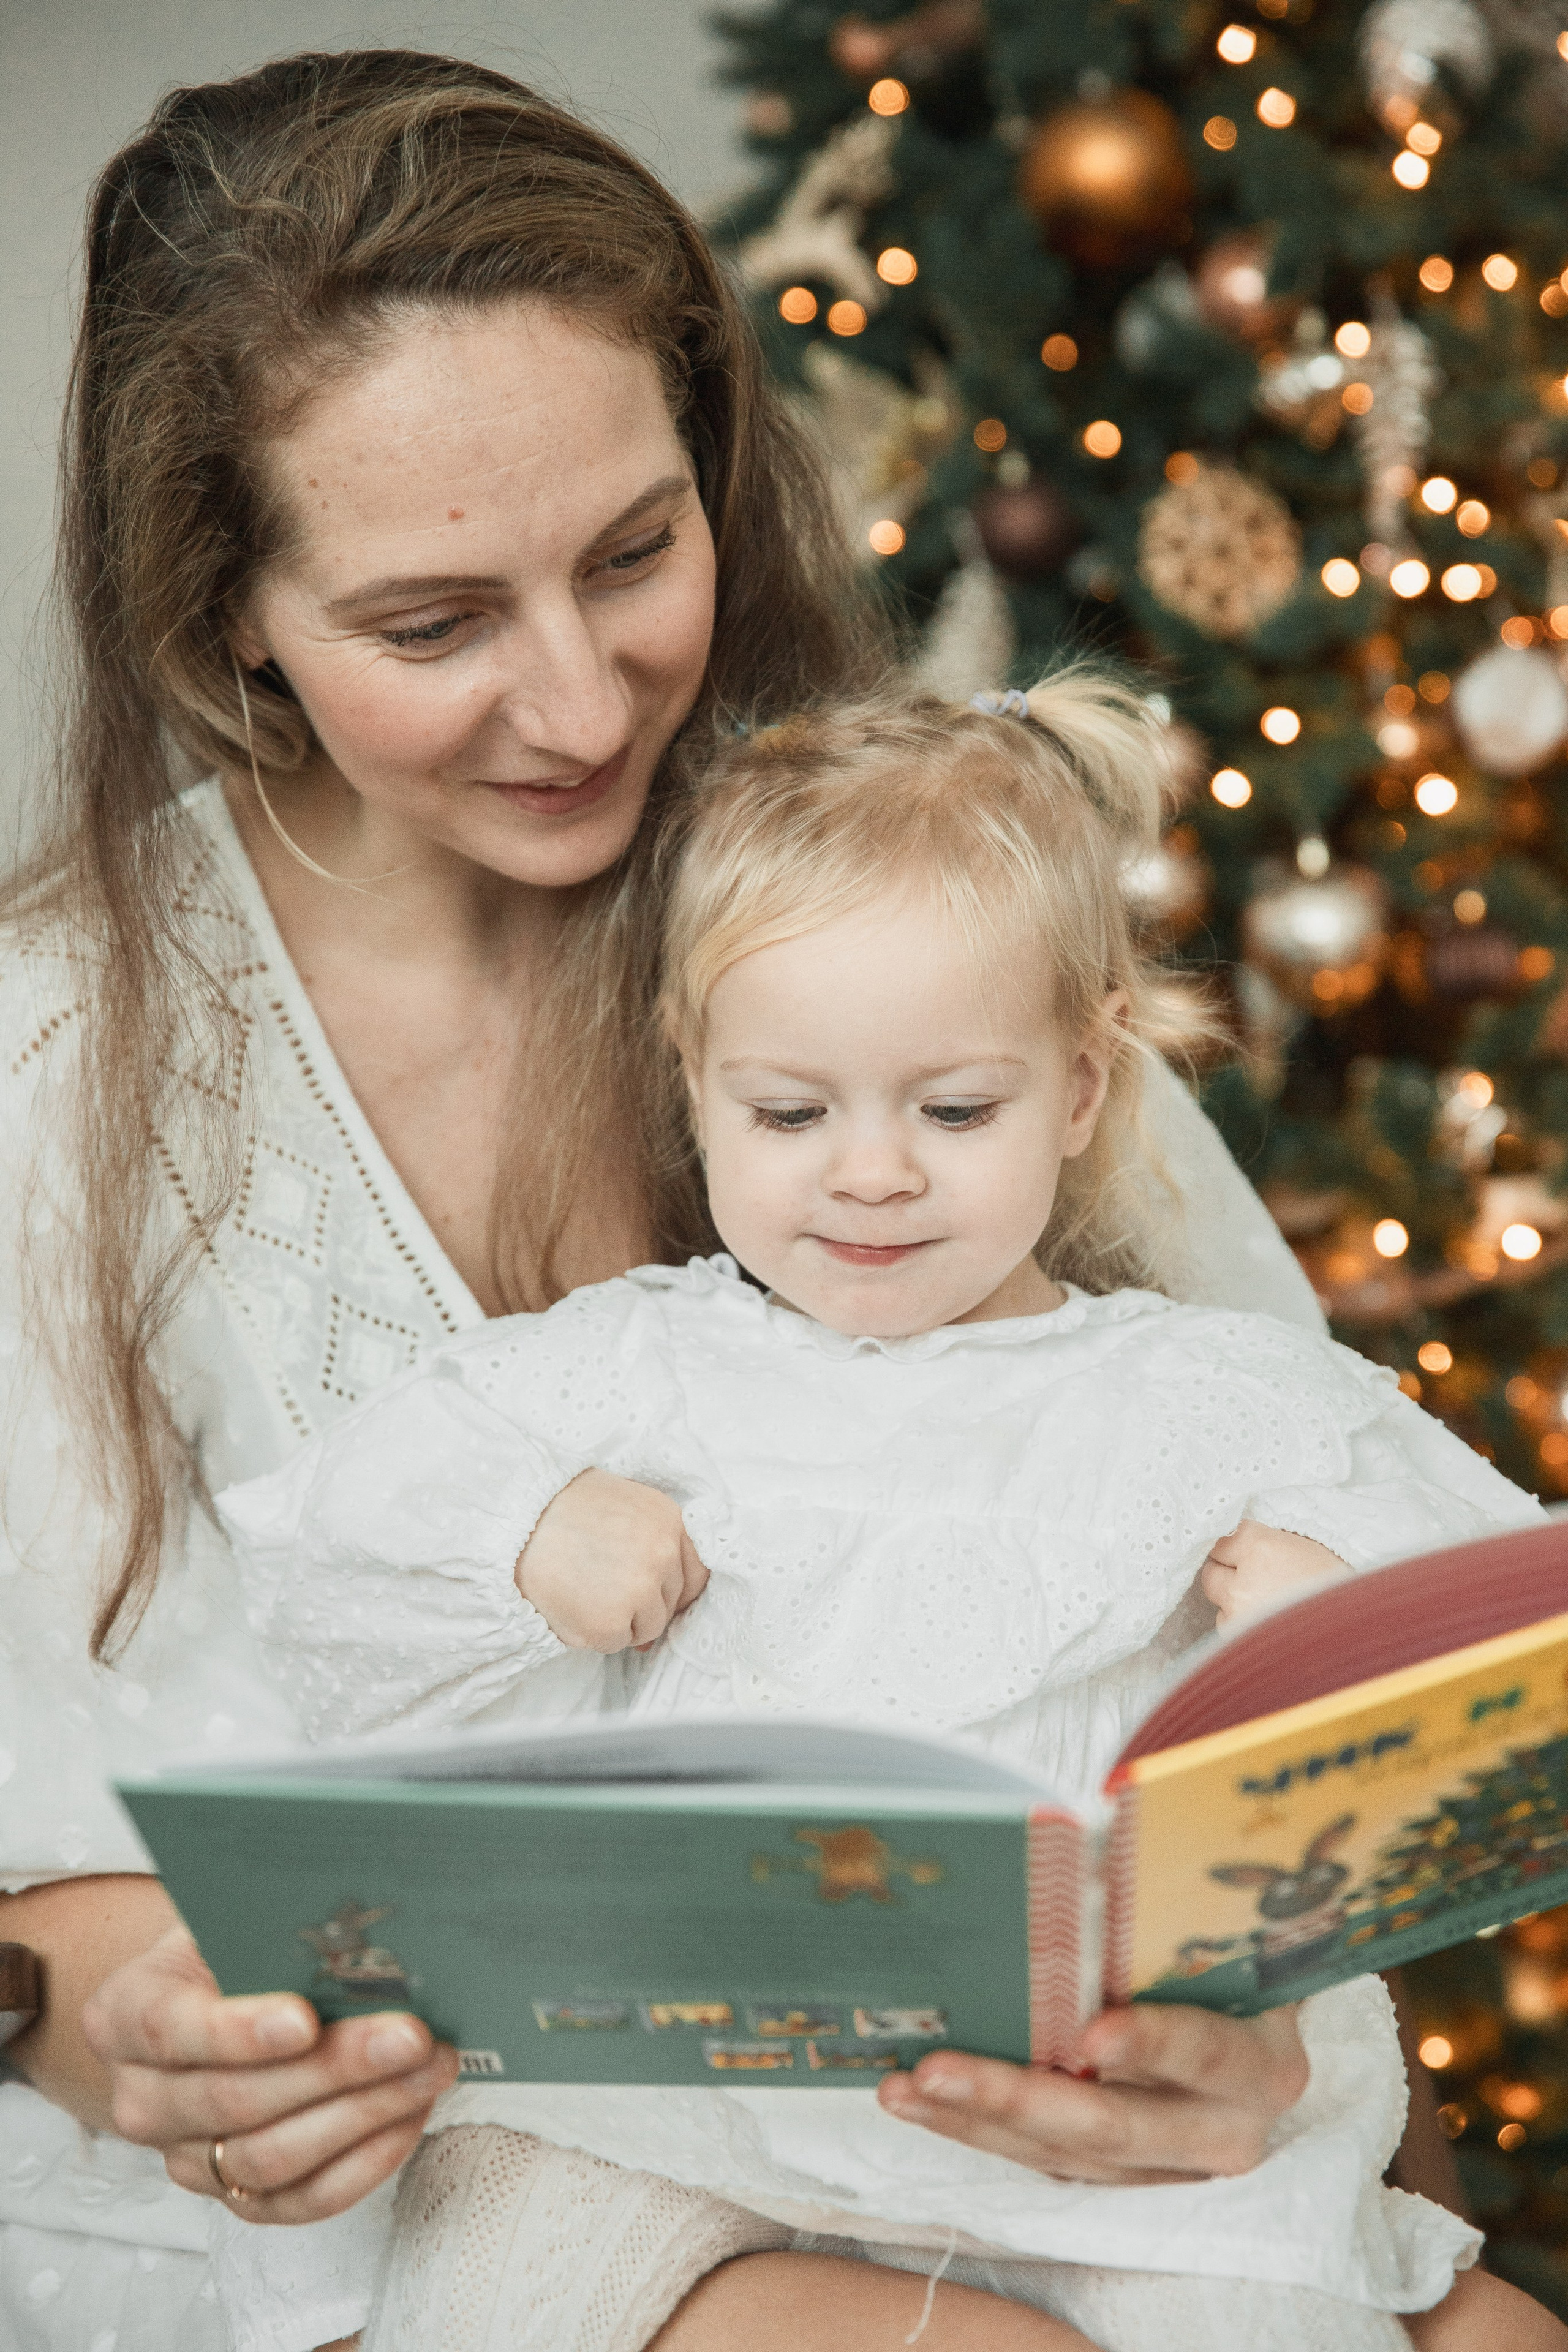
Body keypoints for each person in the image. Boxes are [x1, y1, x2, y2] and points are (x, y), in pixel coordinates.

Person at [0, 45, 1486, 2352]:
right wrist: (142, 2037)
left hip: (1013, 2169)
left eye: (633, 553)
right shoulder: (48, 1068)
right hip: (392, 2230)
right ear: (229, 629)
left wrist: (1241, 2029)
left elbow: (1294, 1614)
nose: (585, 702)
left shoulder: (905, 907)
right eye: (430, 624)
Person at [211, 673, 1555, 2352]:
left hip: (1103, 2121)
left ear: (1078, 1088)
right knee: (497, 2281)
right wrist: (525, 1534)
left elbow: (1511, 1662)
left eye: (955, 1110)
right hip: (674, 2110)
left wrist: (1343, 1630)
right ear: (694, 1079)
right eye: (789, 1113)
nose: (871, 1174)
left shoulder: (1209, 1397)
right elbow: (333, 1544)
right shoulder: (637, 1367)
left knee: (1267, 2325)